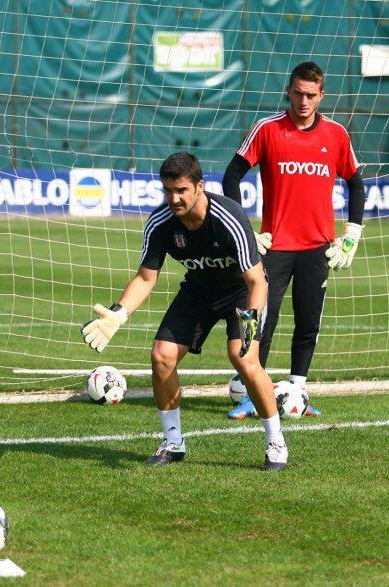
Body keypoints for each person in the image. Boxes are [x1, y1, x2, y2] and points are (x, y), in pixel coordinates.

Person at [82, 152, 288, 471]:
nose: (174, 198)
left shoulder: (228, 217)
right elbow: (146, 277)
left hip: (241, 292)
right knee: (161, 356)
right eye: (168, 190)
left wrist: (249, 324)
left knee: (245, 360)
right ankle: (173, 442)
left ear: (199, 187)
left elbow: (257, 281)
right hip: (198, 291)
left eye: (181, 190)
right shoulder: (161, 222)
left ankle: (276, 443)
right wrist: (119, 313)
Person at [223, 61, 365, 419]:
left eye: (311, 95)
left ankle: (298, 391)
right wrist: (245, 230)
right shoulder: (267, 129)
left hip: (318, 247)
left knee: (308, 322)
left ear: (321, 95)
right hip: (275, 248)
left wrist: (352, 233)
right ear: (288, 90)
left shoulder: (335, 134)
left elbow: (356, 183)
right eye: (298, 93)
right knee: (260, 321)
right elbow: (232, 176)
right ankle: (253, 394)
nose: (304, 101)